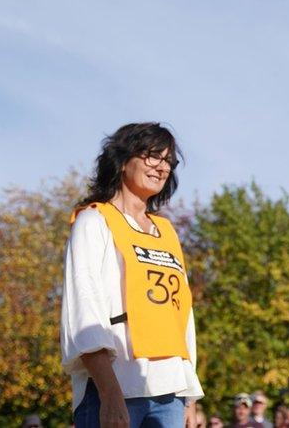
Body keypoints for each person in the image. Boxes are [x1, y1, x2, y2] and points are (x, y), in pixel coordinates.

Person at [60, 122, 203, 427]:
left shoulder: (166, 231)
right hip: (113, 389)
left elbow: (182, 315)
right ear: (123, 160)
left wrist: (188, 394)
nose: (161, 167)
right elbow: (83, 312)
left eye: (168, 160)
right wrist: (110, 393)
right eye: (152, 155)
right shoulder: (93, 222)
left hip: (170, 394)